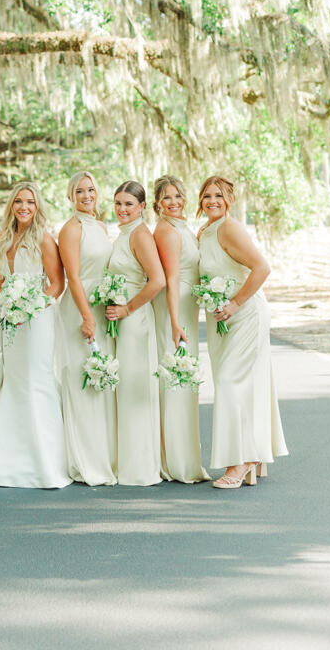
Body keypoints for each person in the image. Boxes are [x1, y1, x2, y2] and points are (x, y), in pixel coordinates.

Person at [0, 182, 70, 488]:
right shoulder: (3, 238)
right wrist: (7, 305)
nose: (24, 207)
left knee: (36, 382)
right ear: (12, 206)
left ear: (37, 208)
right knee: (14, 382)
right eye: (19, 202)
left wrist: (32, 306)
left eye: (30, 203)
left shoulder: (45, 240)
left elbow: (56, 284)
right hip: (9, 320)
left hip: (36, 321)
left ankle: (45, 461)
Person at [197, 176, 288, 488]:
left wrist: (234, 304)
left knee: (228, 383)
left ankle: (240, 461)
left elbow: (262, 267)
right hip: (222, 319)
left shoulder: (229, 227)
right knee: (241, 384)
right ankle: (254, 453)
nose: (212, 201)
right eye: (207, 195)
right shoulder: (205, 231)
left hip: (246, 314)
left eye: (218, 196)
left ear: (229, 200)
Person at [57, 170, 116, 485]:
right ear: (71, 196)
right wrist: (86, 316)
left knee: (100, 381)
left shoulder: (102, 226)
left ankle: (102, 453)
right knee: (83, 381)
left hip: (99, 307)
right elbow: (74, 277)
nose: (86, 196)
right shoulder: (70, 229)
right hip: (79, 311)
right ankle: (83, 460)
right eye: (79, 191)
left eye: (91, 189)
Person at [106, 181, 165, 486]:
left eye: (129, 204)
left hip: (135, 319)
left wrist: (127, 309)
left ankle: (138, 466)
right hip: (120, 318)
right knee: (125, 389)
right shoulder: (124, 233)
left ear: (142, 207)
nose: (122, 209)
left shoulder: (141, 235)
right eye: (118, 203)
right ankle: (123, 460)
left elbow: (157, 281)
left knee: (134, 390)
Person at [152, 175, 208, 483]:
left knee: (186, 381)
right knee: (176, 377)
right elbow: (171, 279)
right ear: (157, 203)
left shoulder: (181, 227)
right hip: (174, 310)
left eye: (177, 196)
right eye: (167, 198)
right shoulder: (166, 231)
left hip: (187, 306)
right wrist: (174, 321)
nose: (173, 202)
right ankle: (175, 460)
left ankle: (186, 455)